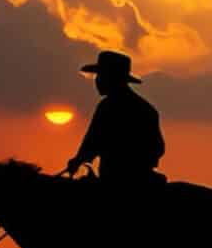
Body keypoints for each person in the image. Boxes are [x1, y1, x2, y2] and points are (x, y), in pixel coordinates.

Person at [62, 50, 164, 186]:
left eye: (100, 76)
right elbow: (158, 148)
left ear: (111, 78)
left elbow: (92, 140)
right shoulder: (147, 109)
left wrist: (78, 160)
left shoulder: (107, 107)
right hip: (143, 177)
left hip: (113, 177)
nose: (97, 81)